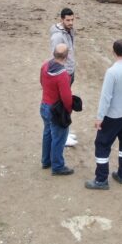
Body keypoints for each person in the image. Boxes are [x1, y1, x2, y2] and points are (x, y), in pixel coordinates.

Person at [85, 40, 122, 190]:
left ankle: (101, 179)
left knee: (102, 144)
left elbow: (106, 97)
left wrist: (99, 117)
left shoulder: (112, 72)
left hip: (114, 115)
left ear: (113, 51)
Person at [40, 44, 75, 176]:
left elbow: (42, 82)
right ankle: (58, 166)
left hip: (44, 105)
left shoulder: (45, 66)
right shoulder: (62, 74)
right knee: (59, 137)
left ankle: (46, 161)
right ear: (66, 56)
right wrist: (68, 110)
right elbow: (66, 97)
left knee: (47, 133)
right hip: (56, 110)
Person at [49, 8, 77, 82]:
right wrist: (60, 74)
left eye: (72, 19)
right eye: (68, 20)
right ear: (62, 20)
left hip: (70, 70)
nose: (71, 22)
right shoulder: (57, 36)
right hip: (63, 74)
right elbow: (54, 56)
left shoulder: (70, 30)